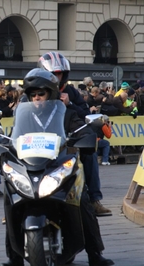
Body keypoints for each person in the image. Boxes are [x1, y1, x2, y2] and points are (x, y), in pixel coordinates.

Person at [0, 68, 114, 266]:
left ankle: (95, 254)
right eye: (33, 94)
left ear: (50, 94)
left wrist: (84, 136)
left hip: (59, 165)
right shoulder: (24, 115)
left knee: (83, 201)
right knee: (11, 198)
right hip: (31, 167)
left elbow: (82, 128)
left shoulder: (67, 113)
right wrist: (5, 144)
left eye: (41, 94)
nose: (37, 98)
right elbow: (14, 137)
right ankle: (14, 256)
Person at [38, 51, 111, 216]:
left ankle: (94, 199)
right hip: (38, 140)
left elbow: (85, 114)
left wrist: (69, 103)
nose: (56, 78)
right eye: (52, 74)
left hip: (66, 139)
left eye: (59, 74)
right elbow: (20, 116)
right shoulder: (33, 92)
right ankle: (14, 203)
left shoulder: (71, 91)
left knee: (89, 153)